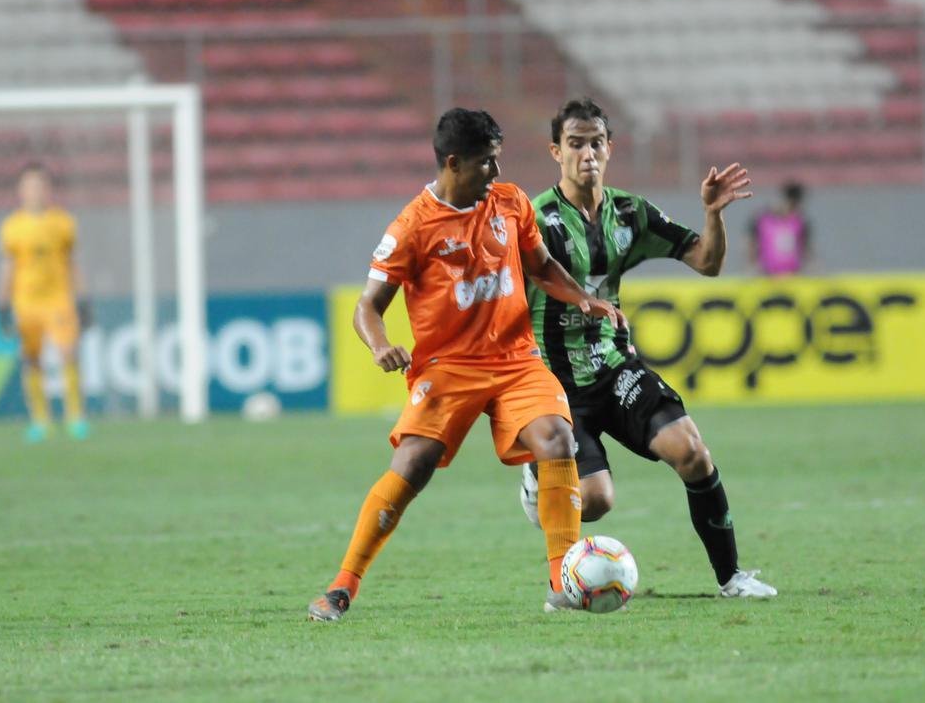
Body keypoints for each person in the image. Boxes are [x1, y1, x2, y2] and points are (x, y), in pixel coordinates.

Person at [308, 108, 623, 621]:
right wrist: (380, 344)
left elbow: (541, 266)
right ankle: (343, 585)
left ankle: (563, 582)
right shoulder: (412, 227)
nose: (495, 174)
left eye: (497, 162)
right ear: (453, 163)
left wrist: (584, 298)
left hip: (516, 359)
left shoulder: (510, 202)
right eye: (485, 164)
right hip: (449, 366)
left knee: (557, 438)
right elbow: (367, 306)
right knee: (414, 464)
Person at [519, 98, 777, 599]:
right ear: (556, 151)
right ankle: (542, 495)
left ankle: (732, 578)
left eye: (596, 143)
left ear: (610, 149)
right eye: (575, 144)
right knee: (595, 501)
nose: (587, 153)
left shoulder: (630, 213)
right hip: (555, 382)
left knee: (693, 453)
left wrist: (712, 214)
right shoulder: (534, 219)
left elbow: (706, 262)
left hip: (616, 367)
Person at [0, 163, 91, 442]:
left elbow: (72, 263)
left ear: (47, 189)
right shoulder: (13, 226)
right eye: (29, 185)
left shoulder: (63, 223)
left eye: (40, 185)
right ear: (21, 190)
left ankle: (75, 417)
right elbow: (8, 268)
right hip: (26, 302)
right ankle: (41, 420)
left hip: (58, 299)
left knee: (67, 352)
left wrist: (83, 300)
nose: (35, 191)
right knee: (31, 359)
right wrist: (2, 306)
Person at [749, 181, 810, 276]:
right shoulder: (763, 220)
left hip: (793, 275)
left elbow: (807, 250)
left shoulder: (800, 222)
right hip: (767, 276)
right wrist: (752, 267)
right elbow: (751, 245)